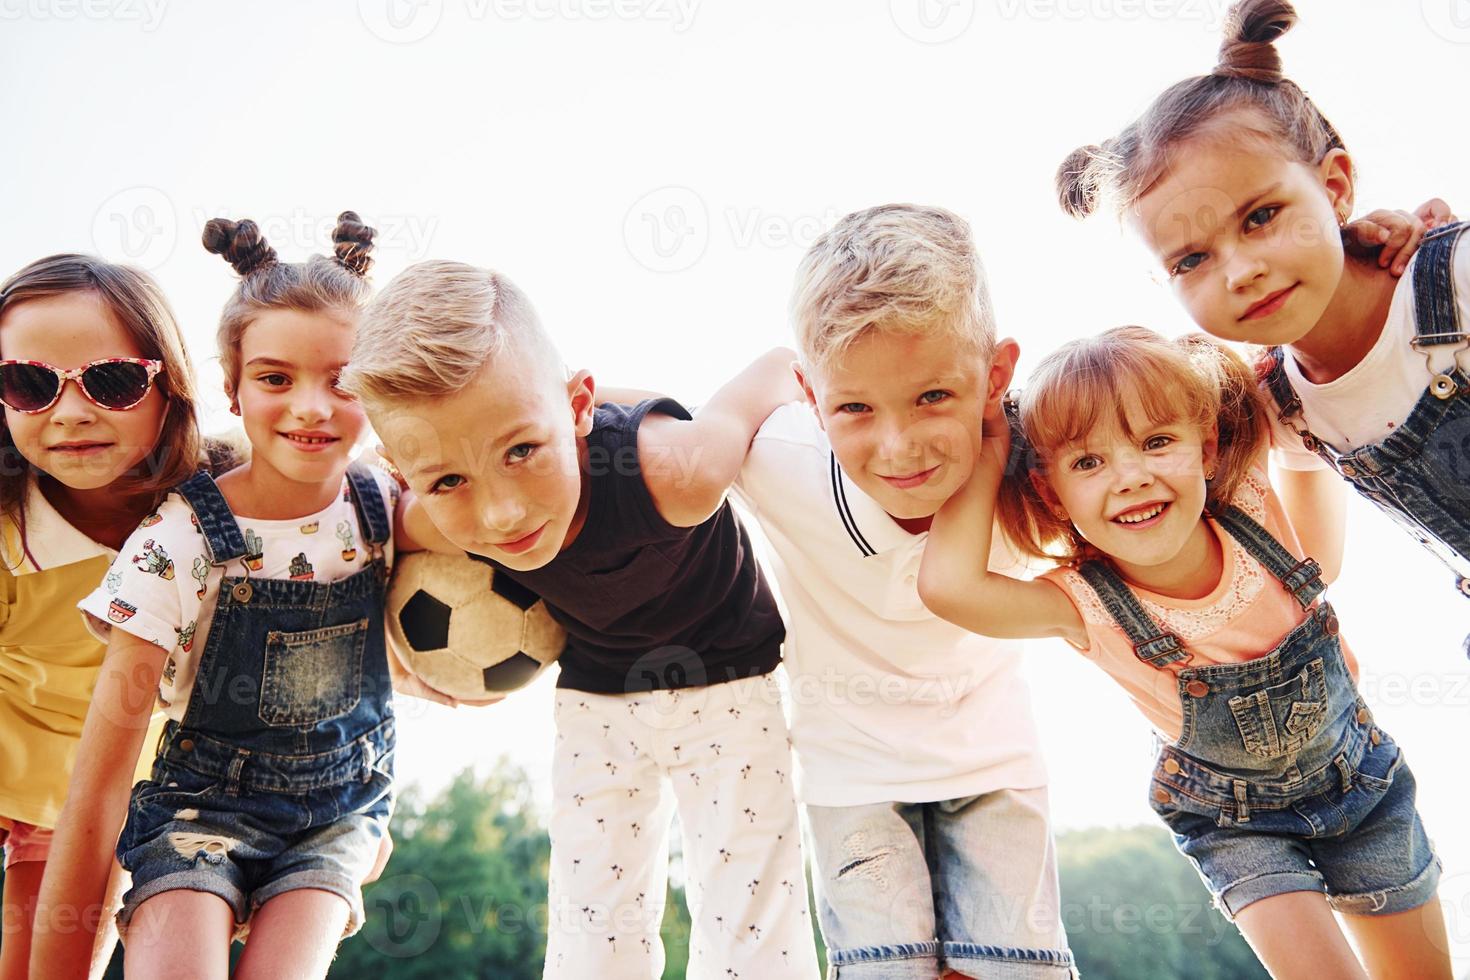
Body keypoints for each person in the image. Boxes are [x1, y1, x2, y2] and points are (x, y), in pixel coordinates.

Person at [918, 325, 1449, 980]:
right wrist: (992, 440)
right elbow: (948, 587)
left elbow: (1302, 395)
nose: (1131, 477)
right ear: (1053, 494)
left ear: (1206, 447)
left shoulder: (1255, 503)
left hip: (1362, 785)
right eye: (1089, 462)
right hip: (1237, 826)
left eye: (1156, 441)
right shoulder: (1080, 602)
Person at [343, 260, 821, 979]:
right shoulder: (433, 520)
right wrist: (395, 665)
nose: (502, 513)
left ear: (576, 407)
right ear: (406, 474)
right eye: (448, 479)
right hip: (597, 694)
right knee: (591, 925)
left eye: (521, 451)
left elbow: (777, 366)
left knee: (750, 921)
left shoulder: (675, 474)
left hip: (729, 682)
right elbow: (341, 548)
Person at [35, 213, 409, 980]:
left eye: (342, 380)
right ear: (232, 389)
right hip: (199, 812)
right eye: (276, 378)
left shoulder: (388, 505)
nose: (311, 406)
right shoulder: (177, 546)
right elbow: (98, 789)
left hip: (337, 815)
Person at [732, 204, 1075, 979]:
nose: (899, 446)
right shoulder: (782, 460)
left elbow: (1187, 419)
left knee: (1018, 970)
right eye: (854, 408)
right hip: (852, 780)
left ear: (994, 377)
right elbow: (604, 434)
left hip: (993, 766)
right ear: (811, 399)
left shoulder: (1044, 466)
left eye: (933, 398)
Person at [1057, 0, 1470, 630]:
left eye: (1261, 216)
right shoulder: (1282, 405)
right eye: (1192, 259)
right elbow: (1314, 563)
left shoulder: (1453, 277)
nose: (1239, 270)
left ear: (1334, 188)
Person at [0, 254, 212, 980]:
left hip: (105, 801)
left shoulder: (218, 513)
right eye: (28, 384)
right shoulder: (7, 529)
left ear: (170, 386)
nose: (69, 412)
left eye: (111, 381)